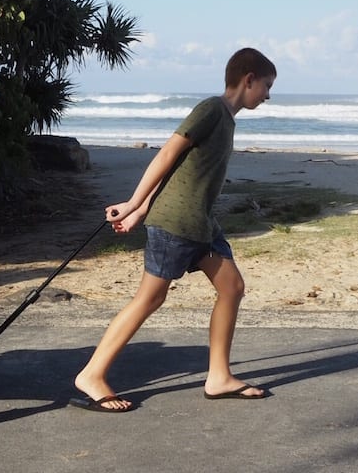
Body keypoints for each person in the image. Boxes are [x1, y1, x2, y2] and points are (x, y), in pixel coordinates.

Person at [71, 47, 276, 413]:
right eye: (266, 85)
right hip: (178, 225)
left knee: (232, 287)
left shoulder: (227, 119)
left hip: (202, 225)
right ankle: (92, 373)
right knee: (149, 298)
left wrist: (138, 212)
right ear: (248, 80)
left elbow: (179, 174)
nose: (268, 94)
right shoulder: (211, 110)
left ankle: (219, 377)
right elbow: (167, 155)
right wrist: (134, 203)